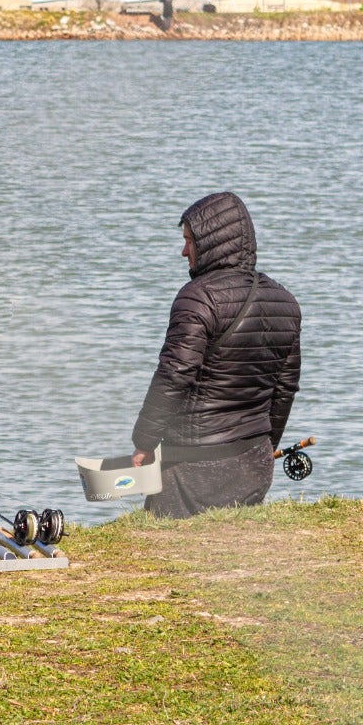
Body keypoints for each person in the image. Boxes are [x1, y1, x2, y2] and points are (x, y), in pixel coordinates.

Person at [131, 192, 301, 517]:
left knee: (172, 556)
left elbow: (174, 375)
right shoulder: (285, 301)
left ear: (211, 242)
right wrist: (267, 446)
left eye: (188, 242)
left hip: (191, 467)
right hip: (254, 463)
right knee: (231, 556)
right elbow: (284, 389)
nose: (183, 252)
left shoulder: (197, 298)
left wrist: (144, 440)